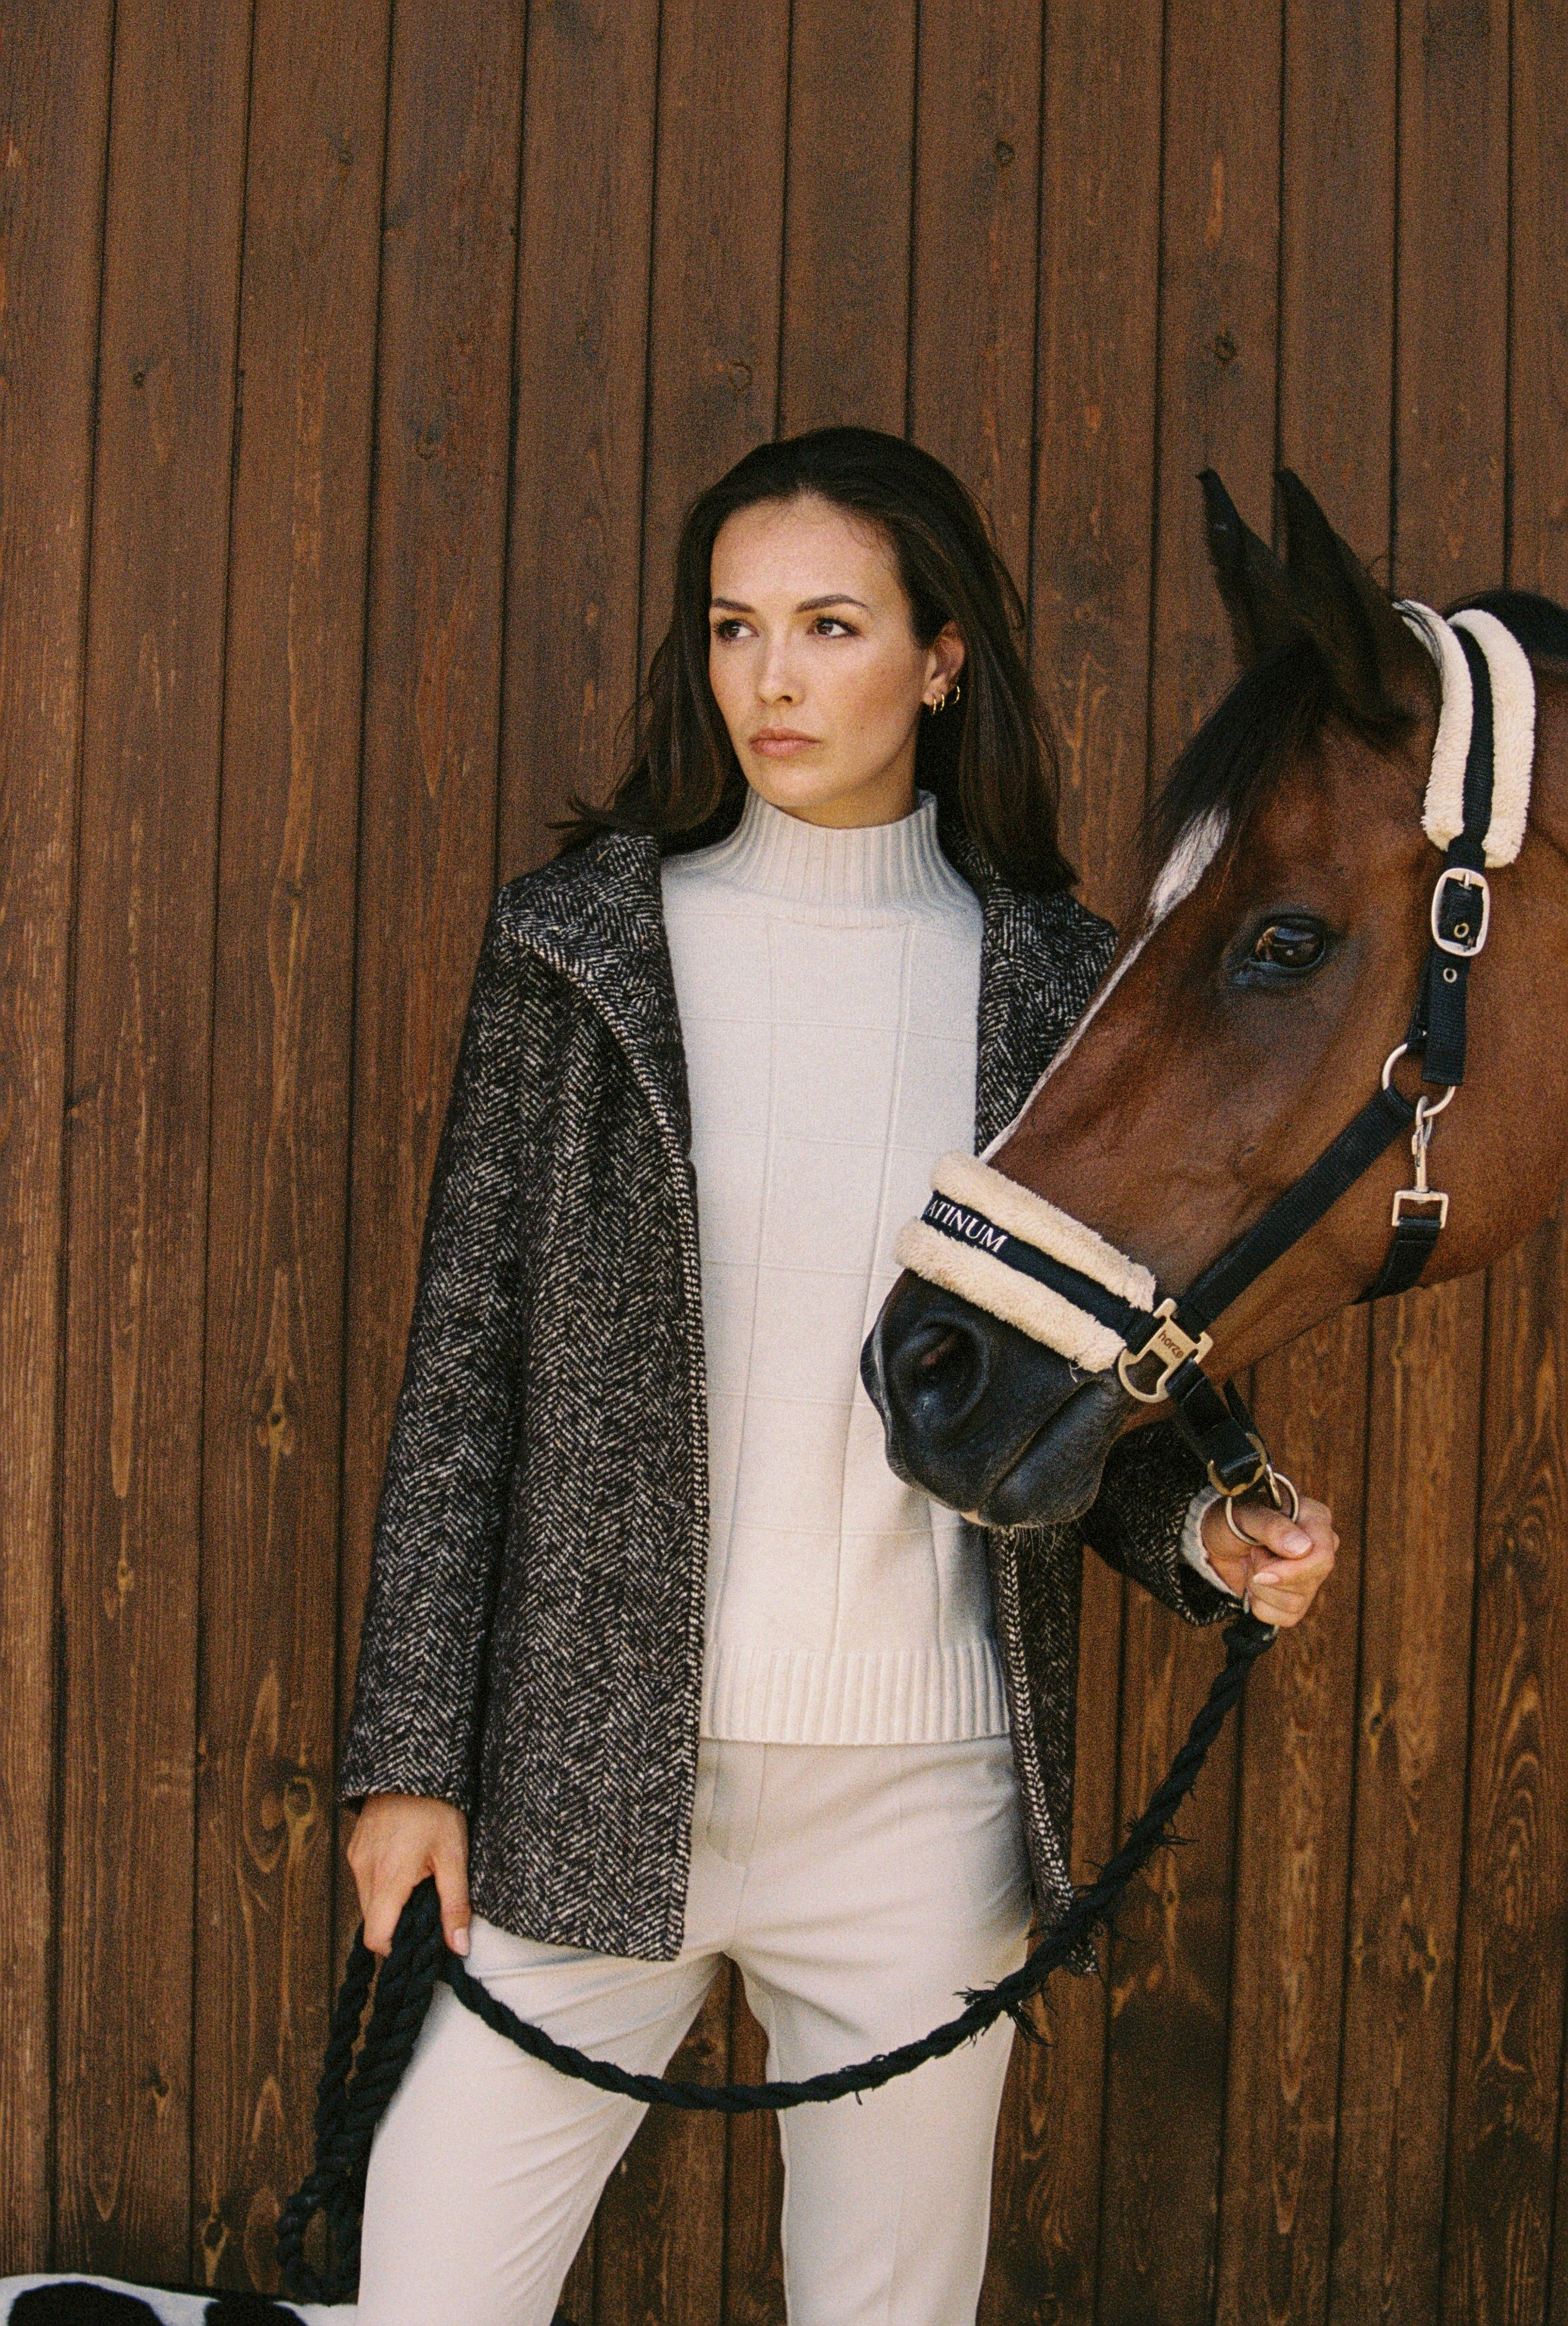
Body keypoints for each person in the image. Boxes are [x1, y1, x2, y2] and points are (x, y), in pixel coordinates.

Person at [338, 426, 1337, 2326]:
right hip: (593, 1774)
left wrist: (1223, 1528)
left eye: (827, 625)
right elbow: (467, 1365)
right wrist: (407, 1758)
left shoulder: (1067, 989)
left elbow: (1090, 1389)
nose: (770, 681)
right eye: (733, 628)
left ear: (942, 658)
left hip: (922, 1794)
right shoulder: (580, 951)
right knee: (430, 2292)